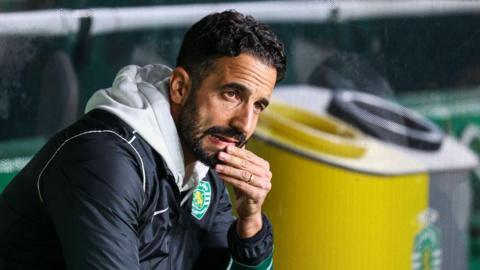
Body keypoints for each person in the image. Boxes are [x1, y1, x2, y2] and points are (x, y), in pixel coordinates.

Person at [0, 10, 286, 270]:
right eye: (231, 94)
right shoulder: (105, 160)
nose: (245, 124)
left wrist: (250, 220)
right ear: (180, 87)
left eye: (259, 105)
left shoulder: (206, 164)